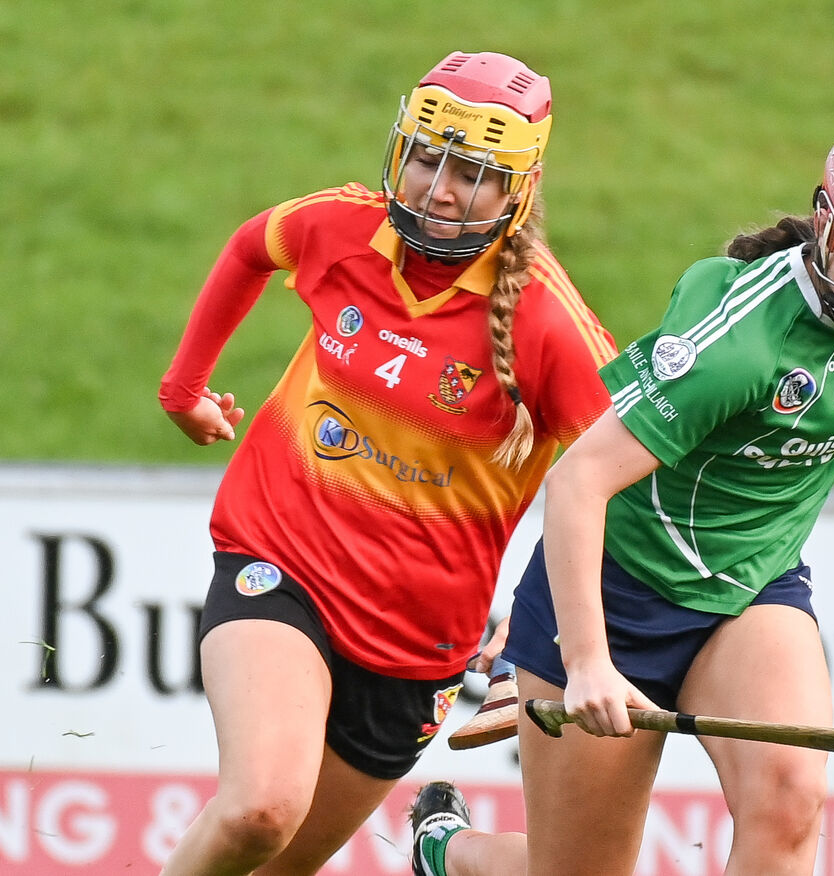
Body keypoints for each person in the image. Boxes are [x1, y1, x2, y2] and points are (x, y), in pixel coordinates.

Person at [410, 118, 834, 876]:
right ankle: (448, 851)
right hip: (615, 596)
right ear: (829, 226)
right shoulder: (736, 348)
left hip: (751, 592)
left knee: (790, 802)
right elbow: (578, 481)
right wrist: (588, 662)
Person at [156, 50, 616, 875]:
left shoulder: (550, 323)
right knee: (261, 809)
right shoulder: (340, 225)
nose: (438, 187)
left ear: (521, 190)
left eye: (472, 173)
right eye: (426, 156)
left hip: (416, 646)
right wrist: (183, 388)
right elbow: (248, 250)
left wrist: (548, 606)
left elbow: (615, 476)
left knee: (276, 865)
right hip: (279, 562)